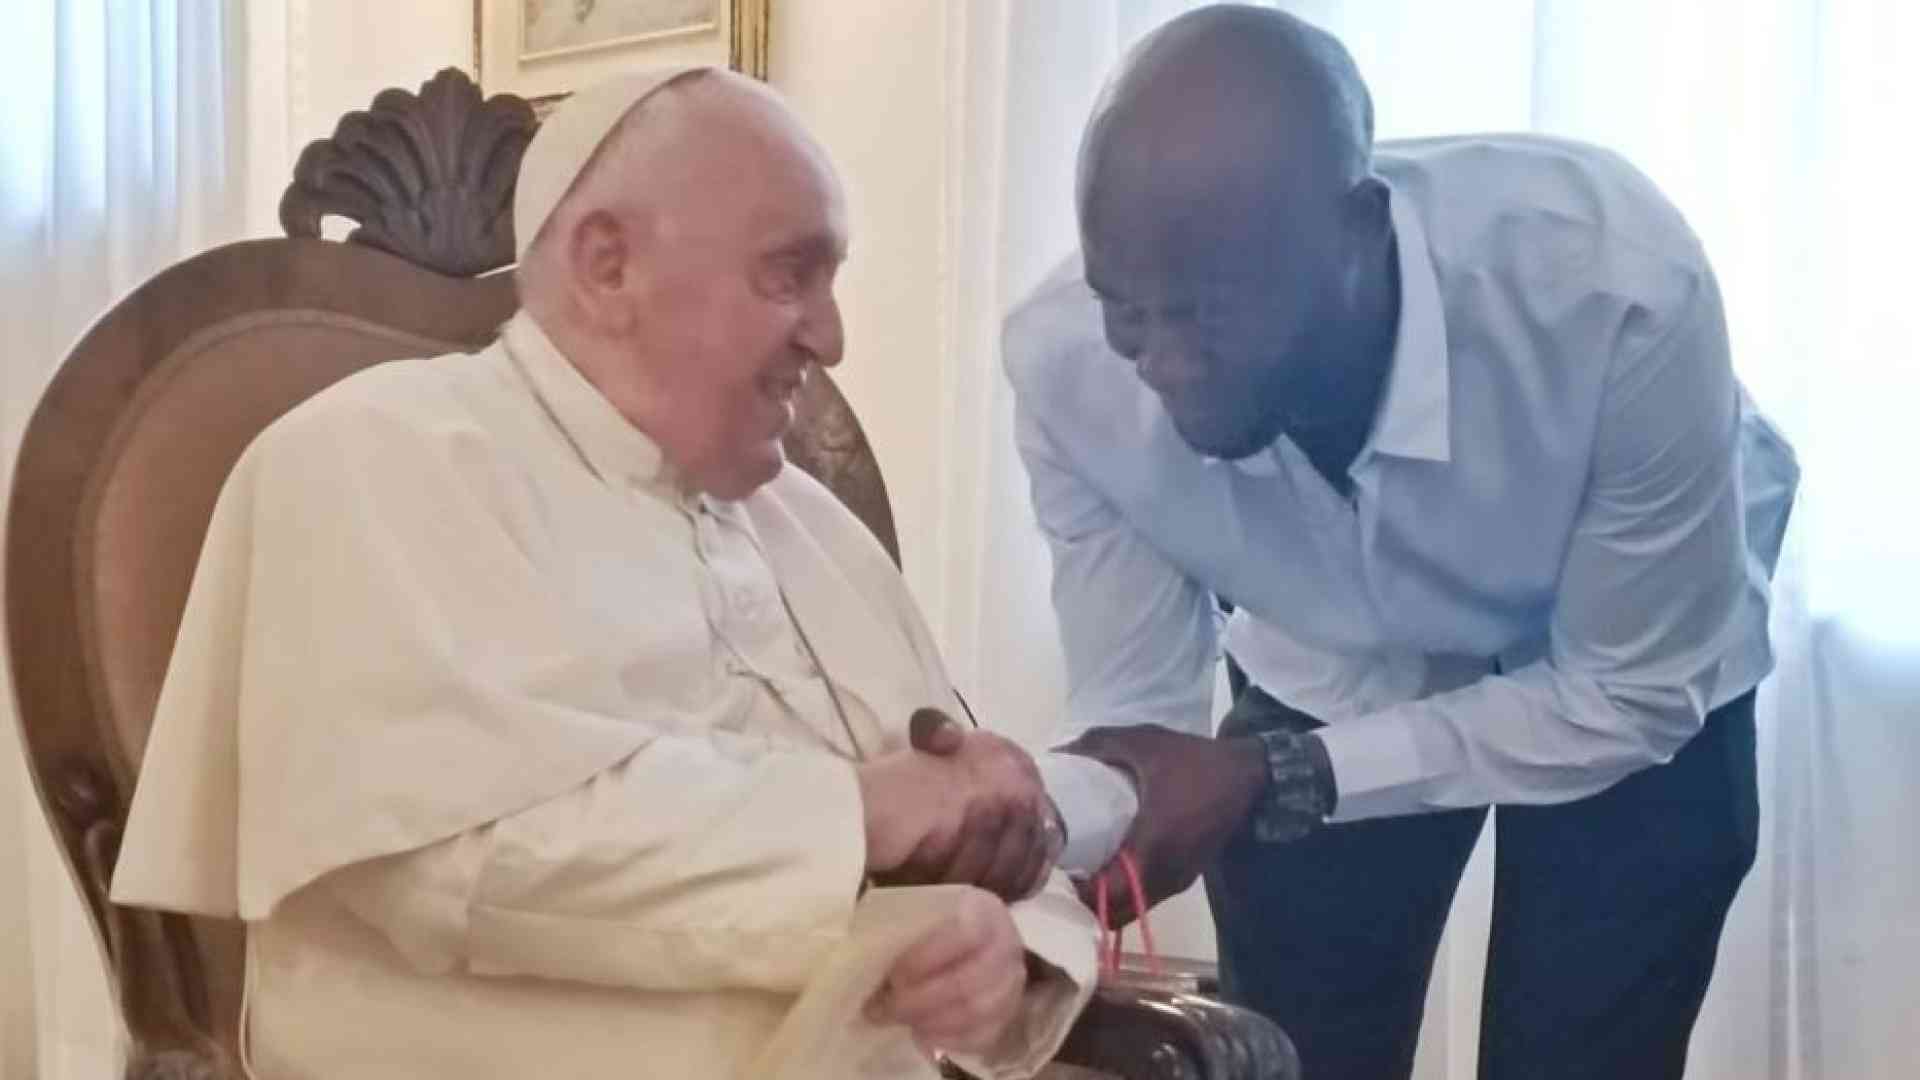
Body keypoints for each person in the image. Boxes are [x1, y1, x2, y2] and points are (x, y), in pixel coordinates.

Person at [111, 67, 1093, 1079]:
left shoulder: (816, 527)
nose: (830, 336)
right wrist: (857, 817)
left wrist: (1003, 954)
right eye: (788, 275)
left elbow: (971, 822)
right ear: (606, 265)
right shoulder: (370, 457)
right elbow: (446, 861)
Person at [1004, 6, 1800, 1078]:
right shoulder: (1068, 368)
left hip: (1630, 650)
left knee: (1580, 1048)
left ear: (1360, 229)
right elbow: (1138, 714)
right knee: (1296, 1051)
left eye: (1209, 314)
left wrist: (1276, 772)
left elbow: (1627, 691)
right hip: (1335, 655)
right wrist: (1046, 816)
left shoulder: (1613, 290)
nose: (1168, 365)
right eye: (1130, 313)